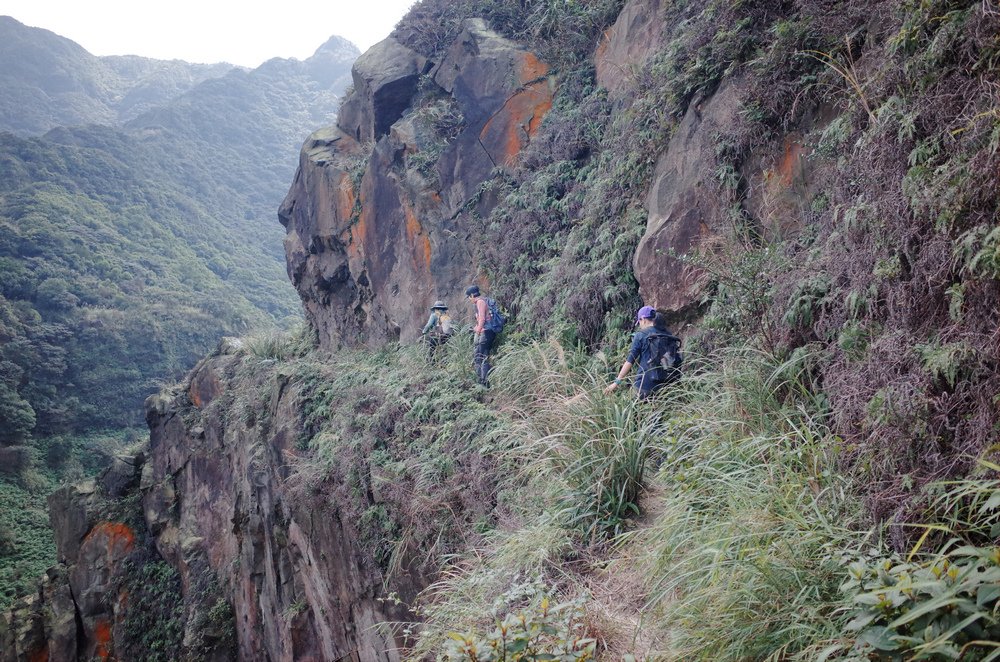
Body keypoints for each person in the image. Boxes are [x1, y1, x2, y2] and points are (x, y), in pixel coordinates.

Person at [604, 305, 681, 398]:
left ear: (643, 319)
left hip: (644, 386)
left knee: (634, 411)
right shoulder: (667, 334)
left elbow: (630, 361)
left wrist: (616, 382)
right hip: (665, 386)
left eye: (639, 322)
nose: (640, 325)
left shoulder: (640, 335)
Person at [465, 285, 501, 386]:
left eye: (469, 297)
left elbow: (482, 319)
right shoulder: (481, 301)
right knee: (481, 356)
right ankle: (484, 381)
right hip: (486, 332)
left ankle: (483, 383)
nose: (469, 299)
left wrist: (477, 331)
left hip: (486, 333)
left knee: (480, 357)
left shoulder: (480, 302)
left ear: (472, 295)